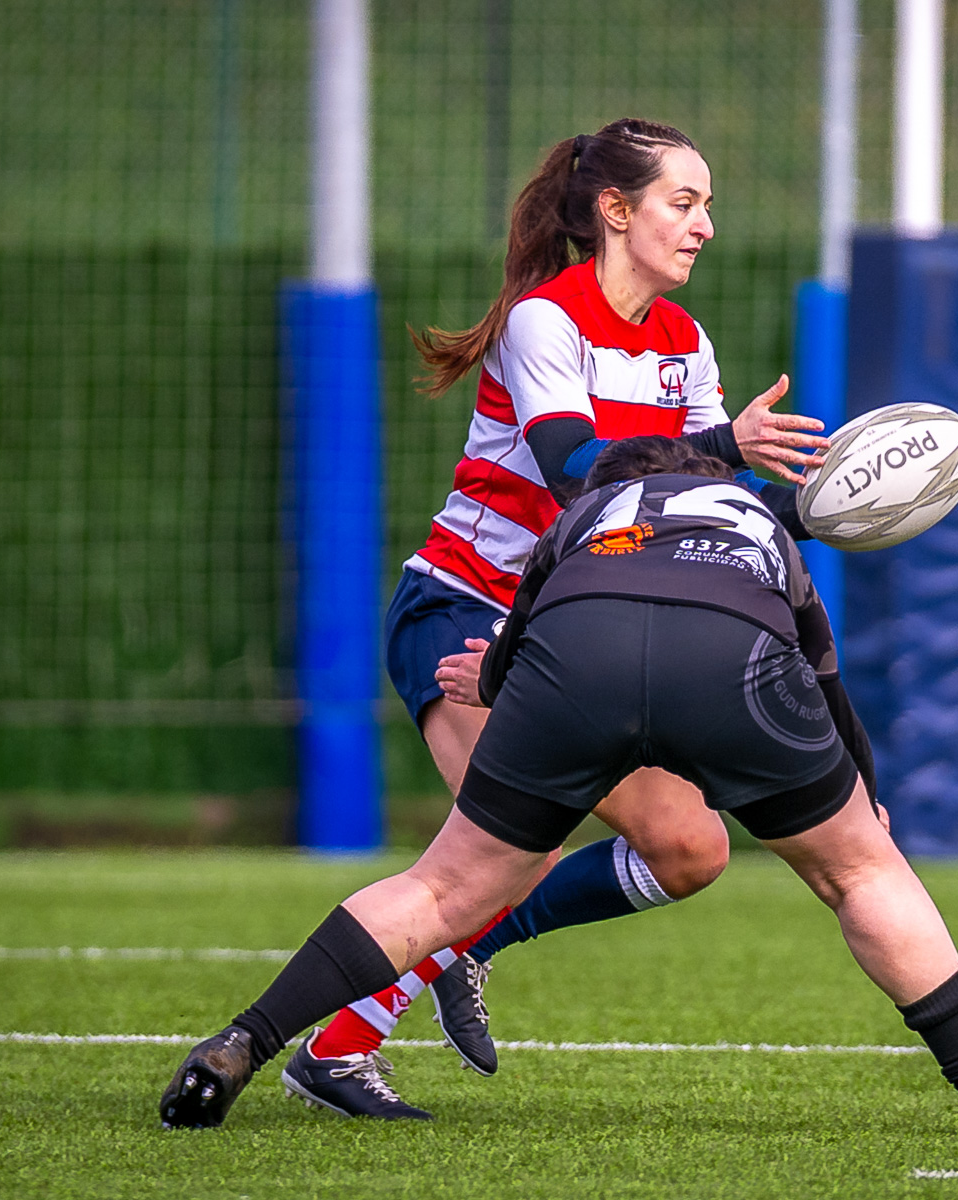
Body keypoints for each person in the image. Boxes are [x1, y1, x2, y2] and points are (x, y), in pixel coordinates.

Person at [159, 438, 958, 1136]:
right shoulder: (750, 520)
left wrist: (492, 683)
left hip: (580, 653)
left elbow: (518, 645)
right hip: (734, 655)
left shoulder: (583, 518)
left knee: (446, 886)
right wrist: (862, 797)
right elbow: (824, 676)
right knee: (861, 874)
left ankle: (244, 1039)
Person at [272, 117, 833, 1117]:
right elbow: (578, 469)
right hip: (465, 610)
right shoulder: (547, 320)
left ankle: (411, 994)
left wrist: (834, 508)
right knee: (497, 856)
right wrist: (729, 447)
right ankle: (293, 1047)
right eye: (684, 203)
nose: (704, 226)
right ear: (615, 212)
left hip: (568, 630)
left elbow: (686, 499)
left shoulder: (684, 345)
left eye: (708, 206)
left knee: (690, 849)